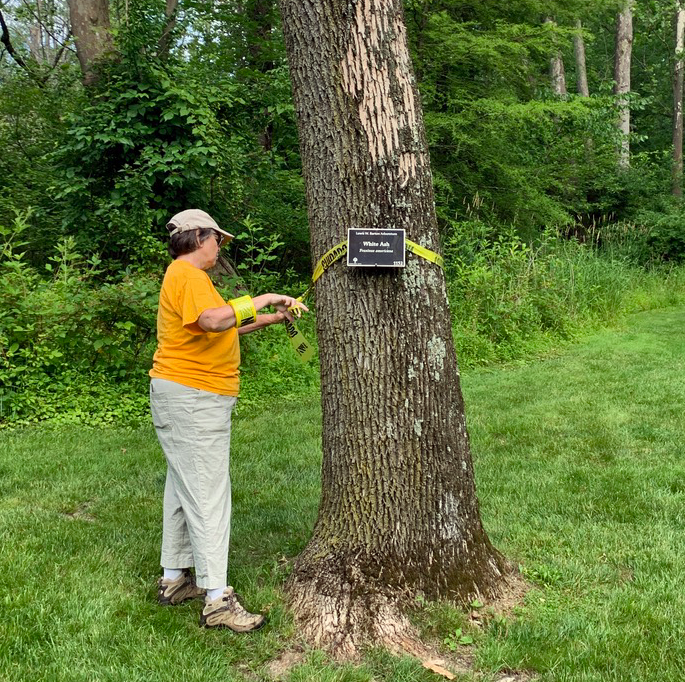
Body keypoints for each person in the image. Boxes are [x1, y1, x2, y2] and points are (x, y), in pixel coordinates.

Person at [149, 209, 308, 632]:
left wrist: (270, 319)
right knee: (207, 494)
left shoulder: (189, 279)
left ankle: (173, 579)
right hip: (193, 396)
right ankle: (217, 600)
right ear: (199, 237)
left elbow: (219, 327)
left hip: (188, 395)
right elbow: (212, 319)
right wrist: (264, 298)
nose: (221, 248)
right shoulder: (187, 276)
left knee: (183, 488)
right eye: (218, 239)